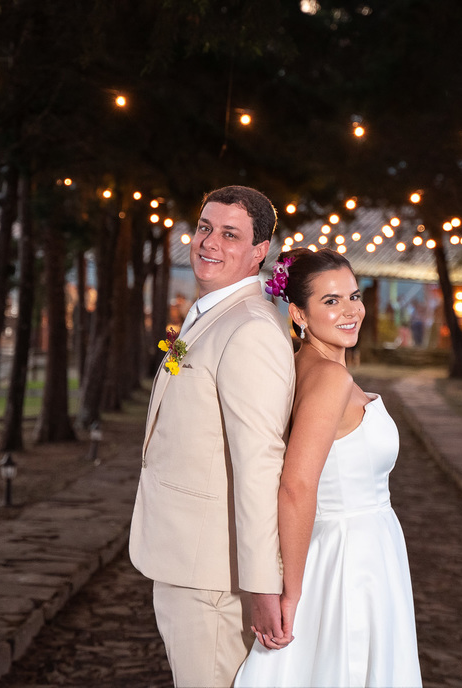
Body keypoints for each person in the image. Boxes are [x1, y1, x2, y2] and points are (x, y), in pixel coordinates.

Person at [129, 185, 296, 687]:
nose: (209, 243)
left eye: (230, 234)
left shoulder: (251, 329)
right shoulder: (214, 310)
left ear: (259, 251)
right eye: (205, 228)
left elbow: (260, 463)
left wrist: (263, 587)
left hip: (214, 577)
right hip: (186, 555)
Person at [235, 248, 422, 688]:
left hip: (364, 552)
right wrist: (292, 593)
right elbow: (296, 486)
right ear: (298, 313)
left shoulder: (305, 368)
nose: (350, 310)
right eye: (331, 301)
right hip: (349, 559)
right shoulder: (329, 379)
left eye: (353, 296)